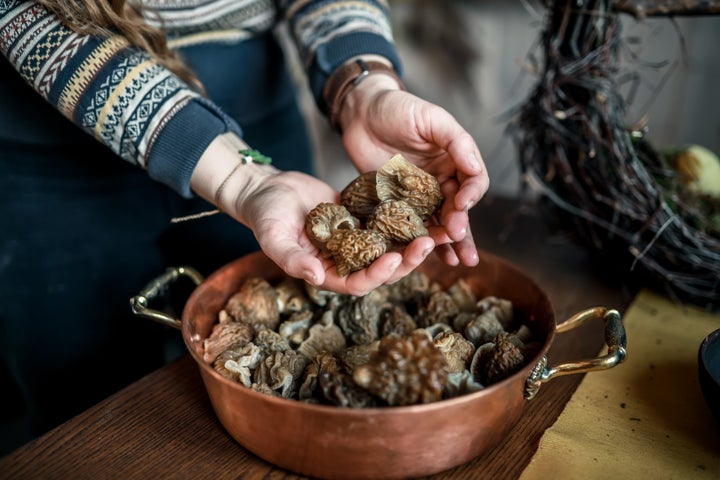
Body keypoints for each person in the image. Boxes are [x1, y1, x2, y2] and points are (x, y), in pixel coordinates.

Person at [0, 0, 489, 452]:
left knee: (250, 383)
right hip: (50, 158)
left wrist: (362, 83)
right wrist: (238, 177)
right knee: (86, 416)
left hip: (254, 116)